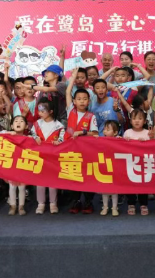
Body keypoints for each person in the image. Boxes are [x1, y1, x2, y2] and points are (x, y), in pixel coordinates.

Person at [65, 85, 98, 215]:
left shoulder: (91, 116)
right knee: (73, 175)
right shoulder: (70, 111)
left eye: (85, 99)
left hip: (86, 151)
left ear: (89, 101)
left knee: (87, 175)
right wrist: (73, 76)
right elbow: (67, 91)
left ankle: (88, 202)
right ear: (74, 101)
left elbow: (95, 133)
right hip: (71, 150)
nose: (82, 101)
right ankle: (76, 201)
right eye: (79, 99)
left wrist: (82, 132)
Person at [30, 97, 64, 214]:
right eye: (39, 111)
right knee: (40, 182)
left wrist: (58, 141)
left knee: (52, 181)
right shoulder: (36, 124)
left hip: (53, 157)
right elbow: (31, 134)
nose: (40, 113)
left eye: (43, 111)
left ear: (50, 112)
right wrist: (35, 137)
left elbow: (62, 138)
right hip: (39, 156)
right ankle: (41, 203)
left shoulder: (58, 125)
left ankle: (53, 203)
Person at [123, 108, 150, 216]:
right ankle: (131, 204)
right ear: (130, 121)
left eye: (140, 118)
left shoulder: (147, 133)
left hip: (144, 164)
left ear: (144, 121)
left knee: (144, 184)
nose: (137, 121)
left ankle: (144, 204)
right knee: (130, 184)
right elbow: (120, 147)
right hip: (130, 163)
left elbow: (153, 148)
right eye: (134, 118)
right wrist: (124, 141)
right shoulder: (127, 132)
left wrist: (146, 143)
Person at [1, 115, 29, 216]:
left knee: (22, 187)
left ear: (26, 126)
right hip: (11, 166)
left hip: (23, 166)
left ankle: (21, 206)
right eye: (16, 121)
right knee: (12, 187)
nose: (18, 123)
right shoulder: (8, 136)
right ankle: (13, 206)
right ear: (12, 126)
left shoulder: (28, 138)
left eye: (21, 121)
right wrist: (9, 132)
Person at [100, 120, 121, 217]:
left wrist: (121, 140)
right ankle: (105, 207)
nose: (105, 131)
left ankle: (114, 207)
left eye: (108, 129)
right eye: (104, 129)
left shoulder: (118, 140)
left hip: (115, 168)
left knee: (114, 190)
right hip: (104, 167)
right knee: (104, 189)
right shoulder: (100, 140)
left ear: (115, 132)